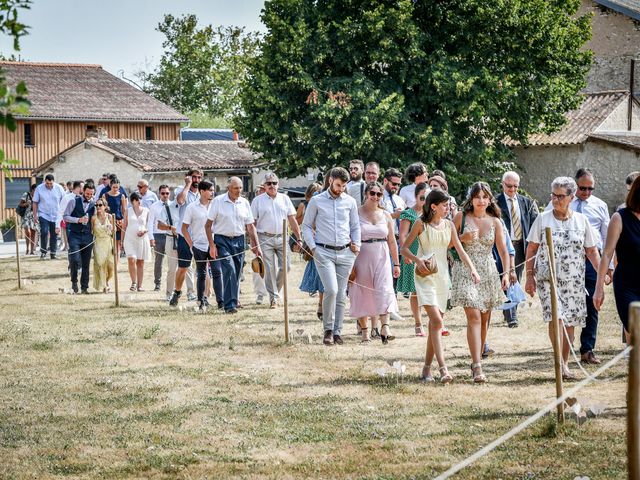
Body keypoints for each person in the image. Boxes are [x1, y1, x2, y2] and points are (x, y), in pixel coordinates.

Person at [525, 176, 601, 380]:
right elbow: (531, 248)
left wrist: (602, 275)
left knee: (570, 322)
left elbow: (592, 251)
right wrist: (529, 277)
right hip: (548, 279)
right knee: (556, 318)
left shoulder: (581, 220)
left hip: (575, 280)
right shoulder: (543, 218)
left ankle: (565, 364)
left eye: (560, 196)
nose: (555, 199)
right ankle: (559, 363)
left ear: (571, 196)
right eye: (553, 195)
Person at [402, 189, 480, 383]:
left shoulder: (449, 226)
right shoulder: (420, 224)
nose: (448, 208)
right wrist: (417, 260)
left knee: (434, 327)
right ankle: (443, 369)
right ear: (434, 206)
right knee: (437, 322)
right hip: (425, 276)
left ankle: (426, 369)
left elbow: (460, 250)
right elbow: (404, 248)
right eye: (445, 205)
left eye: (449, 205)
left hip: (443, 278)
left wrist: (473, 269)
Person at [451, 182, 509, 383]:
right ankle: (476, 366)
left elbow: (503, 250)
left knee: (484, 319)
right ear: (471, 199)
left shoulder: (495, 222)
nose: (481, 201)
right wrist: (462, 237)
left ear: (489, 199)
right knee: (474, 316)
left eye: (485, 197)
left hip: (488, 270)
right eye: (477, 197)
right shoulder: (461, 217)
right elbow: (447, 242)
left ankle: (478, 359)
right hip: (465, 269)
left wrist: (507, 274)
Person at [303, 167, 361, 346]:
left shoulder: (350, 201)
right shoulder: (317, 201)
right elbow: (306, 226)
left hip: (345, 252)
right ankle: (327, 329)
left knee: (342, 294)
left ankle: (337, 331)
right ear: (330, 181)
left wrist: (356, 244)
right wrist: (313, 248)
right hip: (323, 251)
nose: (341, 188)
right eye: (338, 185)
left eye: (344, 186)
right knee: (331, 290)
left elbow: (355, 226)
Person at [349, 182, 400, 344]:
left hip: (382, 253)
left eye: (379, 194)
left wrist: (397, 264)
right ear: (366, 194)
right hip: (362, 254)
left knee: (384, 289)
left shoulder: (385, 215)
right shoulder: (355, 213)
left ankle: (385, 327)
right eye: (373, 193)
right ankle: (365, 332)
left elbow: (392, 241)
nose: (376, 197)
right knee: (362, 291)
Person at [206, 177, 262, 314]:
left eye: (241, 188)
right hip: (222, 240)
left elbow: (250, 227)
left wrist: (257, 245)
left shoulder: (244, 203)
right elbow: (207, 226)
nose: (239, 191)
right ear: (228, 188)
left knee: (237, 273)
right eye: (236, 188)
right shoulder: (218, 202)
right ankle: (229, 305)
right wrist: (212, 245)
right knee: (229, 269)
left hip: (239, 240)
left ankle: (233, 300)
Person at [595, 176, 640, 345]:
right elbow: (607, 254)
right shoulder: (619, 217)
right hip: (627, 284)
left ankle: (635, 367)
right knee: (634, 326)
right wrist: (599, 288)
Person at [251, 173, 302, 308]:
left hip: (282, 237)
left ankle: (275, 292)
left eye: (274, 183)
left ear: (278, 184)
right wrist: (253, 242)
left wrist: (299, 238)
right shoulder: (257, 201)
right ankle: (273, 297)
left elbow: (292, 220)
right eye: (269, 183)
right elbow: (253, 224)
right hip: (264, 237)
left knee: (286, 267)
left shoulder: (285, 199)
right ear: (264, 186)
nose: (272, 185)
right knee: (269, 268)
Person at [496, 171, 538, 328]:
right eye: (509, 186)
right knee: (505, 277)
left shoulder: (525, 202)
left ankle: (511, 315)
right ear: (503, 184)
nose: (512, 189)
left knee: (514, 279)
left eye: (515, 186)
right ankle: (509, 313)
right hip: (502, 246)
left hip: (520, 246)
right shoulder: (496, 202)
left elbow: (534, 222)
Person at [397, 182, 428, 337]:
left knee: (429, 289)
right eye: (421, 197)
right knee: (415, 291)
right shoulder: (408, 214)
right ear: (415, 197)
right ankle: (418, 323)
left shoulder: (432, 214)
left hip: (429, 254)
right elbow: (402, 234)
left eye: (427, 197)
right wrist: (405, 254)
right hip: (413, 253)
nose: (424, 200)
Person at [168, 169, 202, 305]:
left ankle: (202, 296)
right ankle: (177, 292)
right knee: (183, 267)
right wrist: (188, 185)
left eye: (199, 177)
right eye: (194, 177)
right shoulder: (181, 190)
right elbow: (180, 200)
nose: (197, 180)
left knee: (202, 268)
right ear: (188, 177)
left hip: (199, 236)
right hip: (184, 235)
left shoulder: (203, 193)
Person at [181, 180, 215, 310]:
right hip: (199, 244)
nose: (212, 192)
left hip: (213, 244)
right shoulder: (192, 207)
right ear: (202, 191)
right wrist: (191, 244)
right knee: (201, 273)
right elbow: (184, 228)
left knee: (216, 272)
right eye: (210, 190)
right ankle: (201, 300)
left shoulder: (215, 205)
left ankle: (220, 301)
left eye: (213, 190)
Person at [63, 183, 96, 294]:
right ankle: (74, 282)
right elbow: (66, 217)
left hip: (88, 236)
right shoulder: (73, 201)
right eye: (87, 193)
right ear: (83, 191)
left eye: (91, 194)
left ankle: (84, 287)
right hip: (74, 235)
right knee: (75, 260)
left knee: (86, 263)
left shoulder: (94, 204)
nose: (89, 196)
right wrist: (78, 220)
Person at [298, 183, 324, 318]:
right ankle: (321, 303)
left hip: (328, 241)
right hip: (316, 243)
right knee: (319, 276)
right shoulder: (306, 205)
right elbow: (302, 222)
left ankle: (323, 304)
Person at [154, 188, 181, 302]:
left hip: (185, 240)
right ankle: (169, 294)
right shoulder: (167, 208)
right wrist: (170, 228)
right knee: (172, 269)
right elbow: (159, 225)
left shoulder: (188, 208)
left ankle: (190, 292)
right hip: (171, 239)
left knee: (188, 268)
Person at [32, 174, 66, 259]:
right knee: (44, 231)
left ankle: (53, 253)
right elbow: (35, 202)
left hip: (56, 215)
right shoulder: (39, 188)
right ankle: (43, 252)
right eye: (47, 183)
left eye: (51, 184)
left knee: (54, 233)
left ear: (53, 182)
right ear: (44, 181)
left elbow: (64, 201)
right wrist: (35, 215)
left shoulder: (59, 188)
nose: (49, 185)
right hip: (43, 214)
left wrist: (64, 214)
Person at [123, 192, 152, 291]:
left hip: (142, 239)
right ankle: (134, 283)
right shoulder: (128, 211)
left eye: (140, 199)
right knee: (131, 259)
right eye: (136, 200)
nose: (139, 201)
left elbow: (150, 225)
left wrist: (145, 231)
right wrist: (121, 241)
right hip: (129, 238)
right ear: (132, 201)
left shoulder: (146, 211)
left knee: (140, 262)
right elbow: (124, 226)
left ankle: (140, 285)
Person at [148, 185, 171, 292]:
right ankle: (157, 283)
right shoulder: (154, 206)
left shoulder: (173, 205)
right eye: (163, 193)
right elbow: (150, 222)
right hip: (158, 235)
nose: (165, 195)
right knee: (158, 261)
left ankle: (172, 283)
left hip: (171, 235)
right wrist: (151, 237)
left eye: (167, 193)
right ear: (159, 194)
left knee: (172, 261)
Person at [91, 199, 114, 293]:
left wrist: (112, 228)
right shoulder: (93, 218)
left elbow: (114, 231)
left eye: (100, 205)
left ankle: (107, 281)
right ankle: (105, 285)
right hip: (98, 243)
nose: (98, 207)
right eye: (96, 205)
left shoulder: (110, 216)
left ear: (105, 206)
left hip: (108, 243)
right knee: (100, 265)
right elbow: (91, 231)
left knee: (110, 266)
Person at [101, 177, 127, 258]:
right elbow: (103, 210)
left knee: (117, 246)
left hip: (118, 222)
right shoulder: (105, 195)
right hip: (108, 222)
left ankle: (116, 265)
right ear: (110, 186)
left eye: (117, 187)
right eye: (114, 187)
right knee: (108, 245)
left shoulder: (121, 196)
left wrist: (125, 221)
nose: (115, 189)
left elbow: (124, 210)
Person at [59, 181, 83, 252]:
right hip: (70, 225)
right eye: (83, 187)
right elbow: (61, 211)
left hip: (82, 225)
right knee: (72, 246)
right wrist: (59, 224)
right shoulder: (67, 197)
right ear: (78, 188)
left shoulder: (83, 198)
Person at [18, 183, 38, 255]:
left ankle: (32, 251)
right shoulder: (26, 194)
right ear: (32, 190)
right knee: (28, 232)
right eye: (36, 190)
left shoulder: (38, 196)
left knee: (33, 232)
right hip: (26, 216)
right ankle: (27, 249)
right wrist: (26, 203)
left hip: (34, 216)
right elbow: (20, 204)